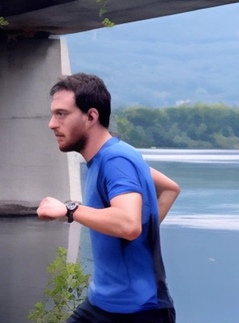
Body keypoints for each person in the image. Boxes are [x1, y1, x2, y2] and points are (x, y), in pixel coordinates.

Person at [37, 72, 181, 323]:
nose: (52, 123)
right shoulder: (114, 156)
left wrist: (70, 209)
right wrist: (128, 247)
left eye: (61, 114)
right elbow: (170, 189)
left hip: (139, 312)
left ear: (91, 116)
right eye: (53, 114)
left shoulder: (116, 160)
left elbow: (128, 224)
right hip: (102, 305)